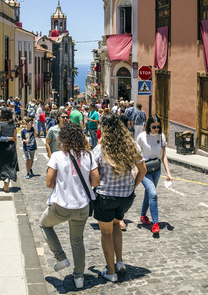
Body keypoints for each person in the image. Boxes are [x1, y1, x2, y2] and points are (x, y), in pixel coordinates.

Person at [39, 123, 100, 290]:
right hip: (82, 206)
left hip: (62, 205)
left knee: (44, 224)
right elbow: (96, 181)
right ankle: (79, 276)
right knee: (77, 241)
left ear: (62, 139)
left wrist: (63, 185)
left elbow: (49, 182)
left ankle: (60, 258)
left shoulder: (57, 156)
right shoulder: (88, 156)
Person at [92, 114, 147, 282]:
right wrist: (133, 186)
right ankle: (120, 262)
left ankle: (110, 271)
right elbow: (142, 170)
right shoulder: (132, 146)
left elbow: (93, 176)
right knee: (116, 225)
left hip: (105, 197)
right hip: (125, 197)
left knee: (106, 233)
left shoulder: (100, 150)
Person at [137, 114, 173, 234]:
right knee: (153, 194)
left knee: (149, 194)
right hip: (144, 170)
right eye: (154, 127)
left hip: (156, 170)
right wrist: (136, 172)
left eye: (158, 126)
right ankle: (155, 223)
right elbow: (136, 156)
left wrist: (168, 173)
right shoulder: (141, 137)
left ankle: (143, 216)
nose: (156, 129)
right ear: (148, 126)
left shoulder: (161, 136)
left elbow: (164, 156)